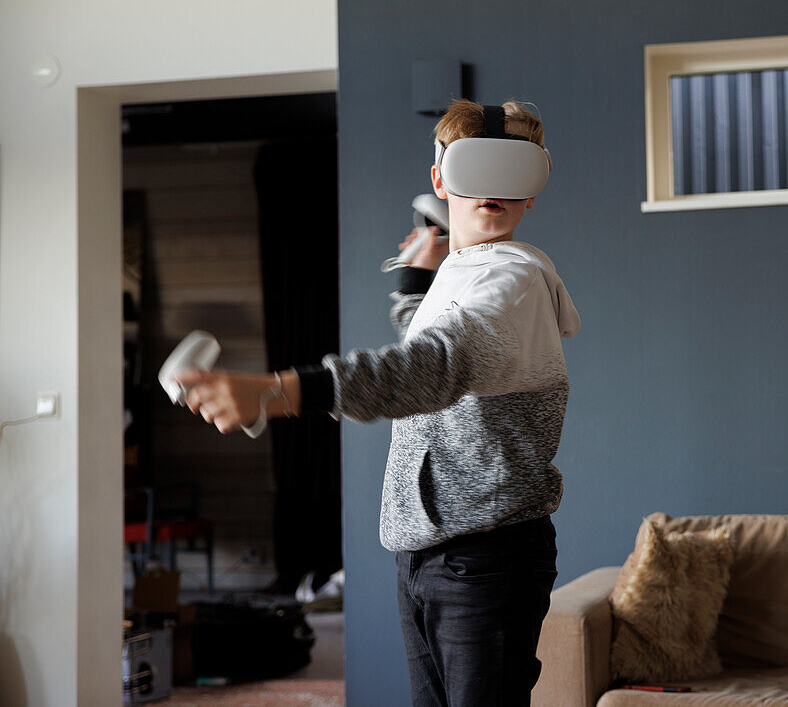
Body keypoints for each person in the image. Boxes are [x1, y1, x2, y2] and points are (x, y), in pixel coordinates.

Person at [172, 99, 580, 706]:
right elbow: (440, 360)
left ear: (533, 189)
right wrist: (419, 284)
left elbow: (433, 369)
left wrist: (278, 391)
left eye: (511, 170)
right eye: (476, 168)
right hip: (431, 549)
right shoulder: (468, 272)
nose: (491, 188)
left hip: (482, 555)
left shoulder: (512, 279)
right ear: (441, 180)